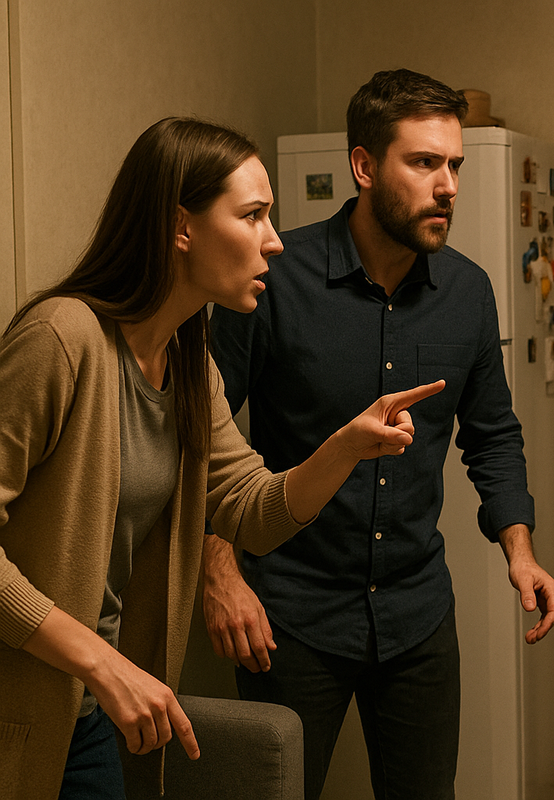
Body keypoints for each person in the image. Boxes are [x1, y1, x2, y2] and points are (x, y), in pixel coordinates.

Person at [0, 117, 443, 800]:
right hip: (27, 704)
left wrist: (346, 447)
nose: (275, 240)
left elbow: (252, 511)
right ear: (182, 227)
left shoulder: (186, 361)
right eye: (254, 215)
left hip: (87, 710)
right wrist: (102, 662)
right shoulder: (62, 340)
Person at [200, 68, 554, 799]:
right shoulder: (274, 278)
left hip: (416, 614)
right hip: (289, 614)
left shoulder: (469, 291)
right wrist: (219, 572)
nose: (448, 185)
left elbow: (492, 434)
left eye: (454, 165)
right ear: (364, 166)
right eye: (424, 162)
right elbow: (197, 431)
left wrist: (519, 550)